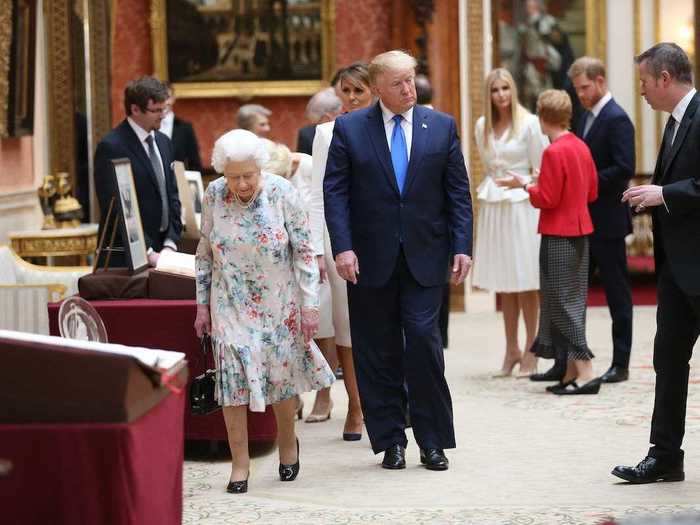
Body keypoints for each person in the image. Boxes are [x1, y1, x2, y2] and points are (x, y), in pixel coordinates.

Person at [324, 50, 473, 471]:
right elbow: (335, 193)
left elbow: (457, 193)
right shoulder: (350, 129)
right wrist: (342, 246)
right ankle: (390, 440)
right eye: (398, 83)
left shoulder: (440, 126)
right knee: (378, 349)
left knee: (424, 342)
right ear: (377, 90)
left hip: (427, 255)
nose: (409, 89)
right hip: (368, 259)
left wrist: (463, 245)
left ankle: (432, 440)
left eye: (411, 80)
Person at [193, 129, 335, 494]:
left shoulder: (281, 193)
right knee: (232, 383)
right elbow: (205, 253)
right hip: (230, 302)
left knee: (280, 379)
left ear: (260, 168)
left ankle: (287, 442)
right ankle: (240, 463)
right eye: (233, 176)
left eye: (248, 175)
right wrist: (201, 306)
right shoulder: (213, 195)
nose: (241, 183)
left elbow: (304, 253)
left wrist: (309, 306)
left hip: (279, 301)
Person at [613, 42, 700, 484]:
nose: (642, 91)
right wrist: (651, 195)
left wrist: (662, 193)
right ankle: (665, 456)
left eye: (645, 82)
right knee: (668, 362)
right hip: (677, 269)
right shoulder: (674, 122)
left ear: (665, 79)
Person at [497, 89, 599, 395]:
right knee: (572, 301)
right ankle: (569, 371)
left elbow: (547, 199)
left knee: (561, 303)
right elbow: (591, 191)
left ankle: (585, 370)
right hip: (581, 232)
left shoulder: (553, 152)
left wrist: (527, 183)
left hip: (558, 235)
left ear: (543, 117)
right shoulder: (580, 145)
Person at [306, 63, 372, 439]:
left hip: (379, 237)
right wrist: (317, 249)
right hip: (338, 240)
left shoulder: (386, 128)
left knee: (380, 326)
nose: (350, 98)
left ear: (373, 92)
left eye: (358, 90)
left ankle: (383, 404)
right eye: (345, 91)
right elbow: (317, 195)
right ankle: (356, 407)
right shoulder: (326, 133)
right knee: (345, 328)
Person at [472, 68, 548, 377]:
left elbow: (542, 169)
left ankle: (533, 347)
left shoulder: (529, 123)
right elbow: (487, 166)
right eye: (495, 90)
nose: (501, 95)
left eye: (505, 88)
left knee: (525, 281)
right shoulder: (482, 126)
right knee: (505, 283)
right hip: (494, 207)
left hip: (522, 208)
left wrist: (522, 183)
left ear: (513, 90)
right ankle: (511, 349)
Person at [568, 57, 635, 385]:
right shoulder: (584, 117)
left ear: (600, 81)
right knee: (574, 293)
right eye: (577, 89)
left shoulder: (617, 118)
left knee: (616, 293)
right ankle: (572, 360)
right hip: (582, 218)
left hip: (607, 219)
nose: (580, 94)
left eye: (584, 87)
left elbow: (624, 168)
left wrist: (586, 180)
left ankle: (620, 363)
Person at [94, 76, 182, 267]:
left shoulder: (163, 142)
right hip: (127, 259)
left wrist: (170, 243)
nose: (163, 115)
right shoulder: (112, 146)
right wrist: (148, 251)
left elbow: (172, 195)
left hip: (164, 252)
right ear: (135, 109)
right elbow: (116, 207)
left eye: (164, 109)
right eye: (156, 110)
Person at [160, 84, 202, 171]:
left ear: (173, 99)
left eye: (167, 97)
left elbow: (194, 163)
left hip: (180, 181)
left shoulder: (185, 129)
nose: (164, 102)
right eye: (159, 97)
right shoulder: (148, 127)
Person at [297, 87, 343, 155]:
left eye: (318, 120)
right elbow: (303, 162)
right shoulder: (306, 135)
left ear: (327, 117)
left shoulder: (347, 132)